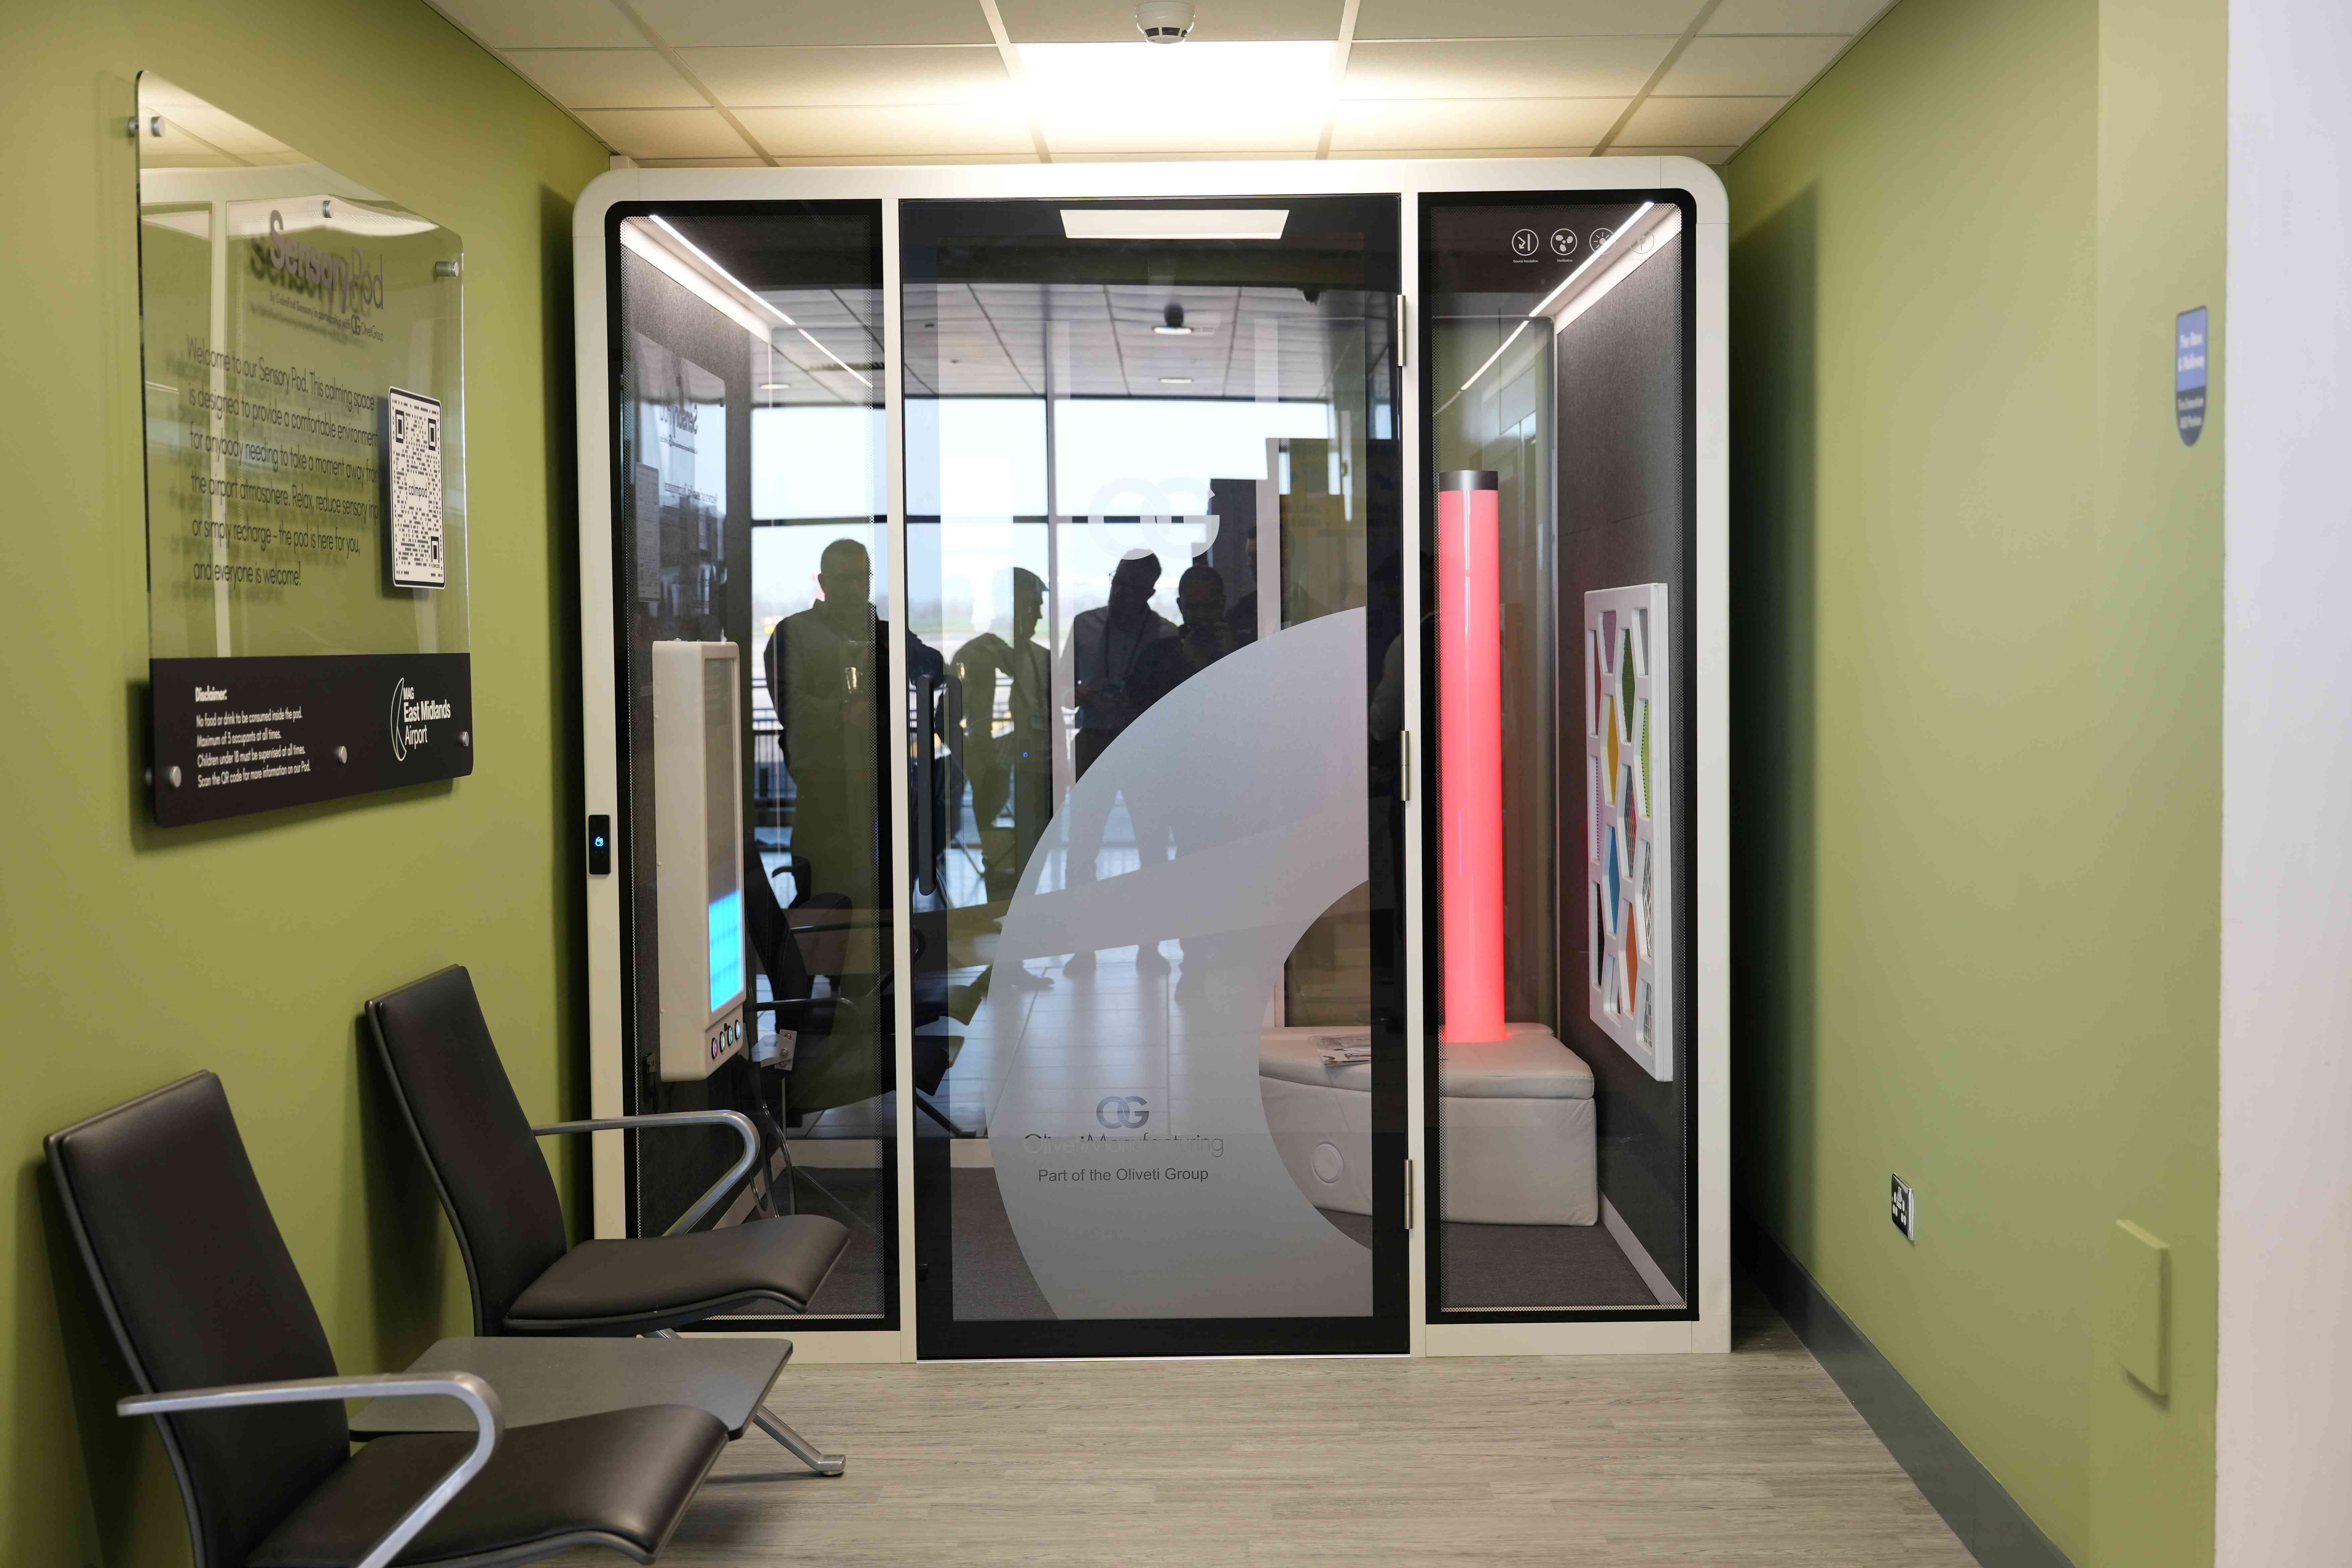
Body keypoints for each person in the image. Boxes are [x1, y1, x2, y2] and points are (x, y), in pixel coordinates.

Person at [762, 537, 945, 909]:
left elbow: (934, 668)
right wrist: (842, 712)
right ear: (824, 582)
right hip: (827, 788)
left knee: (892, 893)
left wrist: (907, 657)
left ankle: (888, 965)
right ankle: (828, 965)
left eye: (862, 578)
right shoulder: (794, 633)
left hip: (886, 785)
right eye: (844, 579)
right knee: (826, 896)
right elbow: (790, 705)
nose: (855, 587)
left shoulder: (883, 633)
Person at [1057, 553, 1175, 976]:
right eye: (1117, 582)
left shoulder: (1165, 635)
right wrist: (1081, 693)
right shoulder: (1085, 626)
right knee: (1082, 848)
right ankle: (1081, 949)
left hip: (1147, 749)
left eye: (1131, 586)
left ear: (1150, 591)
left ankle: (1150, 947)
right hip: (1094, 740)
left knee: (1153, 849)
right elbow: (1061, 692)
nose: (1121, 592)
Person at [952, 567, 1051, 905]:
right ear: (1011, 605)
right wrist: (980, 770)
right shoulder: (975, 656)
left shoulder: (1039, 659)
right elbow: (946, 720)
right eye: (1033, 604)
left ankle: (1012, 945)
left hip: (1032, 775)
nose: (1039, 612)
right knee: (1003, 870)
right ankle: (1005, 944)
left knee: (1027, 870)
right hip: (998, 776)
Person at [1134, 564, 1236, 709]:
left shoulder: (1244, 649)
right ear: (1180, 606)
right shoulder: (1156, 655)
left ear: (1222, 604)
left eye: (1209, 607)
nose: (1202, 615)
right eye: (1193, 607)